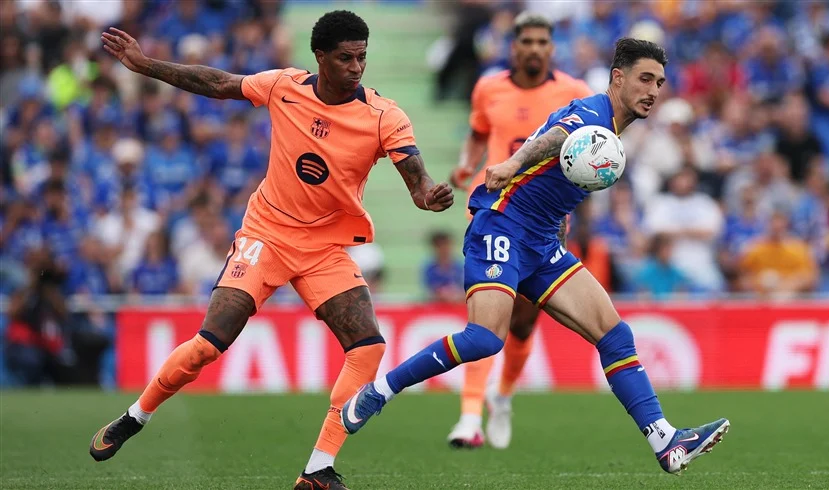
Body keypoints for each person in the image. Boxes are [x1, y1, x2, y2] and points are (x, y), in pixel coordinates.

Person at [90, 11, 454, 490]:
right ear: (320, 57)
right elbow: (219, 83)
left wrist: (428, 196)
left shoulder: (385, 117)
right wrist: (146, 65)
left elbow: (417, 180)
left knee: (368, 348)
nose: (356, 68)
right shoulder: (284, 86)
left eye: (362, 57)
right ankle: (135, 416)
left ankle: (318, 469)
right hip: (266, 235)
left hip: (324, 247)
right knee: (209, 345)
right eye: (345, 58)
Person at [342, 38, 729, 476]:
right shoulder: (593, 114)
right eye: (645, 79)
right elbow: (554, 139)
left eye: (659, 82)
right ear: (618, 78)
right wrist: (511, 164)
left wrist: (558, 217)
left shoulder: (613, 126)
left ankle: (665, 441)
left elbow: (559, 170)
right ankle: (379, 391)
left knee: (615, 335)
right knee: (485, 339)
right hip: (503, 225)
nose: (654, 90)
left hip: (542, 241)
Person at [447, 11, 592, 450]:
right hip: (492, 210)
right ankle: (469, 416)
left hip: (545, 217)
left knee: (524, 323)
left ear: (552, 48)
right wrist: (467, 164)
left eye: (541, 42)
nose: (534, 49)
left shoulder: (575, 93)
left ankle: (503, 395)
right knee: (487, 311)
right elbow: (478, 132)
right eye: (526, 41)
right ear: (514, 47)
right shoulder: (488, 87)